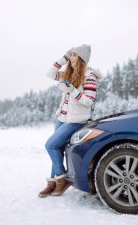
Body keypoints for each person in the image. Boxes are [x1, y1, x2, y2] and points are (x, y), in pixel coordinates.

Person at [39, 44, 101, 197]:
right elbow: (50, 73)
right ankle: (52, 183)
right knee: (57, 149)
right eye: (70, 55)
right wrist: (63, 58)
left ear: (81, 58)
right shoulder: (69, 73)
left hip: (76, 120)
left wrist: (72, 91)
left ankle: (62, 179)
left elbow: (89, 101)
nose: (71, 58)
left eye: (73, 55)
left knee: (51, 145)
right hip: (62, 118)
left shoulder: (89, 76)